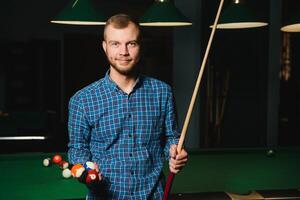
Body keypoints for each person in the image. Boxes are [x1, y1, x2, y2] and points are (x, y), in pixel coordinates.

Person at [67, 13, 188, 199]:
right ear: (104, 47)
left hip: (153, 195)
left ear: (140, 47)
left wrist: (175, 152)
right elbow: (77, 149)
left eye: (131, 43)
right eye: (115, 44)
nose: (124, 52)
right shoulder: (82, 100)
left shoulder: (163, 92)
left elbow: (172, 137)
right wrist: (84, 168)